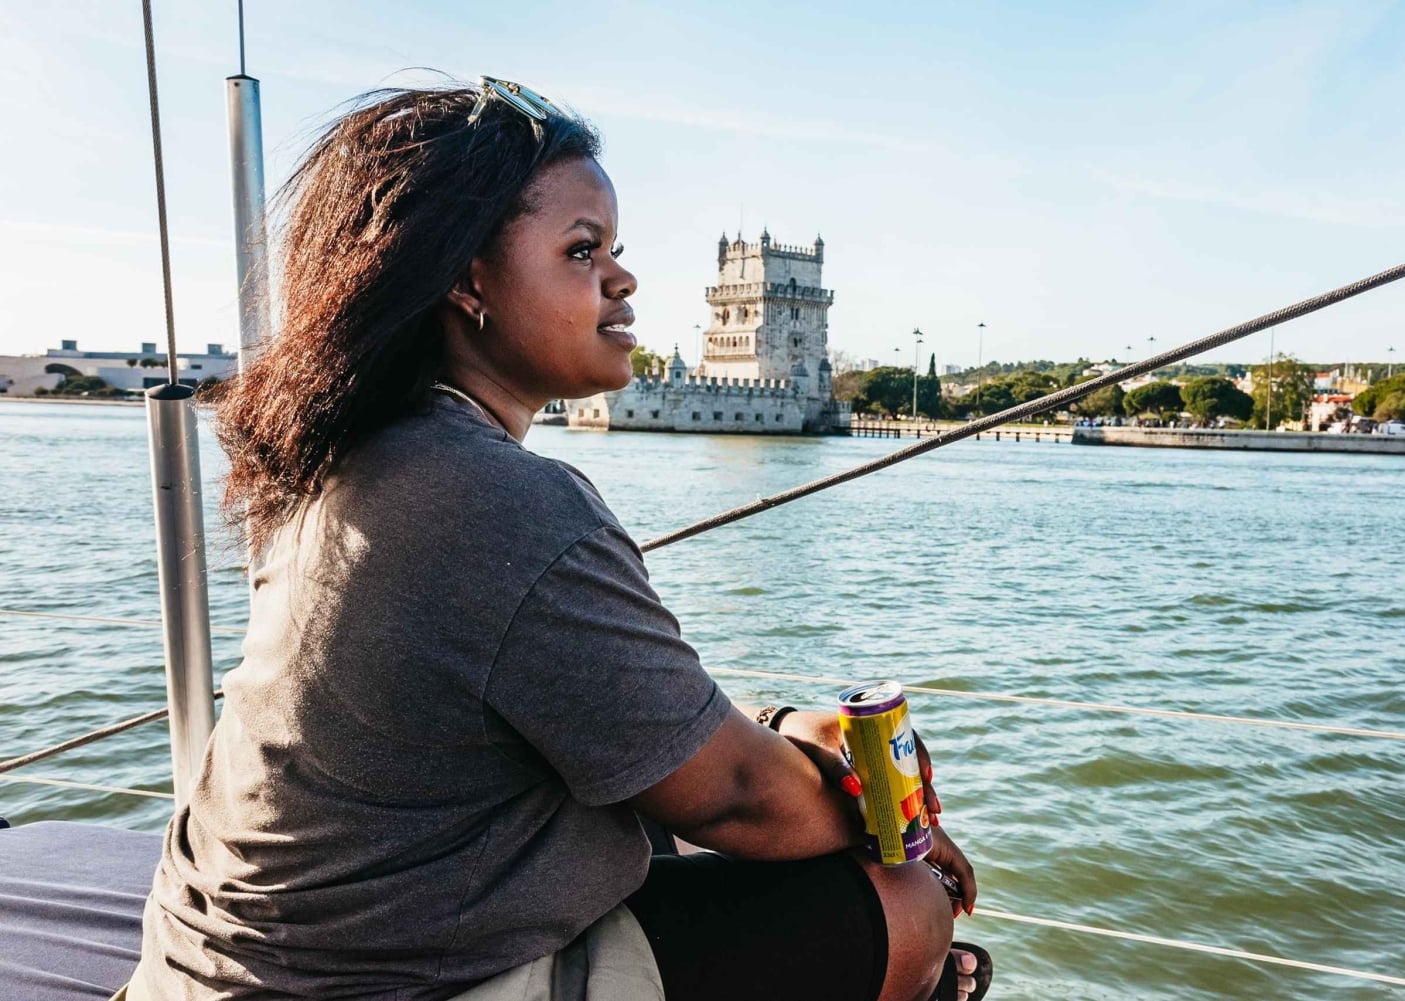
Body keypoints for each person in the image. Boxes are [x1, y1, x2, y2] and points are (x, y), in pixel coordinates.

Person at [128, 78, 988, 1001]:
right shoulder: (503, 499)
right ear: (465, 280)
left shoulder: (357, 454)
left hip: (219, 964)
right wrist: (886, 815)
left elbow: (611, 710)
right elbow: (739, 795)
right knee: (905, 906)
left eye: (615, 250)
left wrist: (776, 727)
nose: (621, 280)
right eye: (582, 252)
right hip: (366, 983)